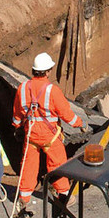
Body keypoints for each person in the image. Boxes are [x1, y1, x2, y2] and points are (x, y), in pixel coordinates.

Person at [12, 52, 85, 206]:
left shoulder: (22, 88)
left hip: (30, 134)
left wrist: (17, 127)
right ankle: (64, 195)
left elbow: (17, 114)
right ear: (48, 71)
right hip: (49, 136)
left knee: (28, 165)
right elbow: (66, 114)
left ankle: (24, 198)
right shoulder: (52, 90)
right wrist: (79, 123)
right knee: (57, 164)